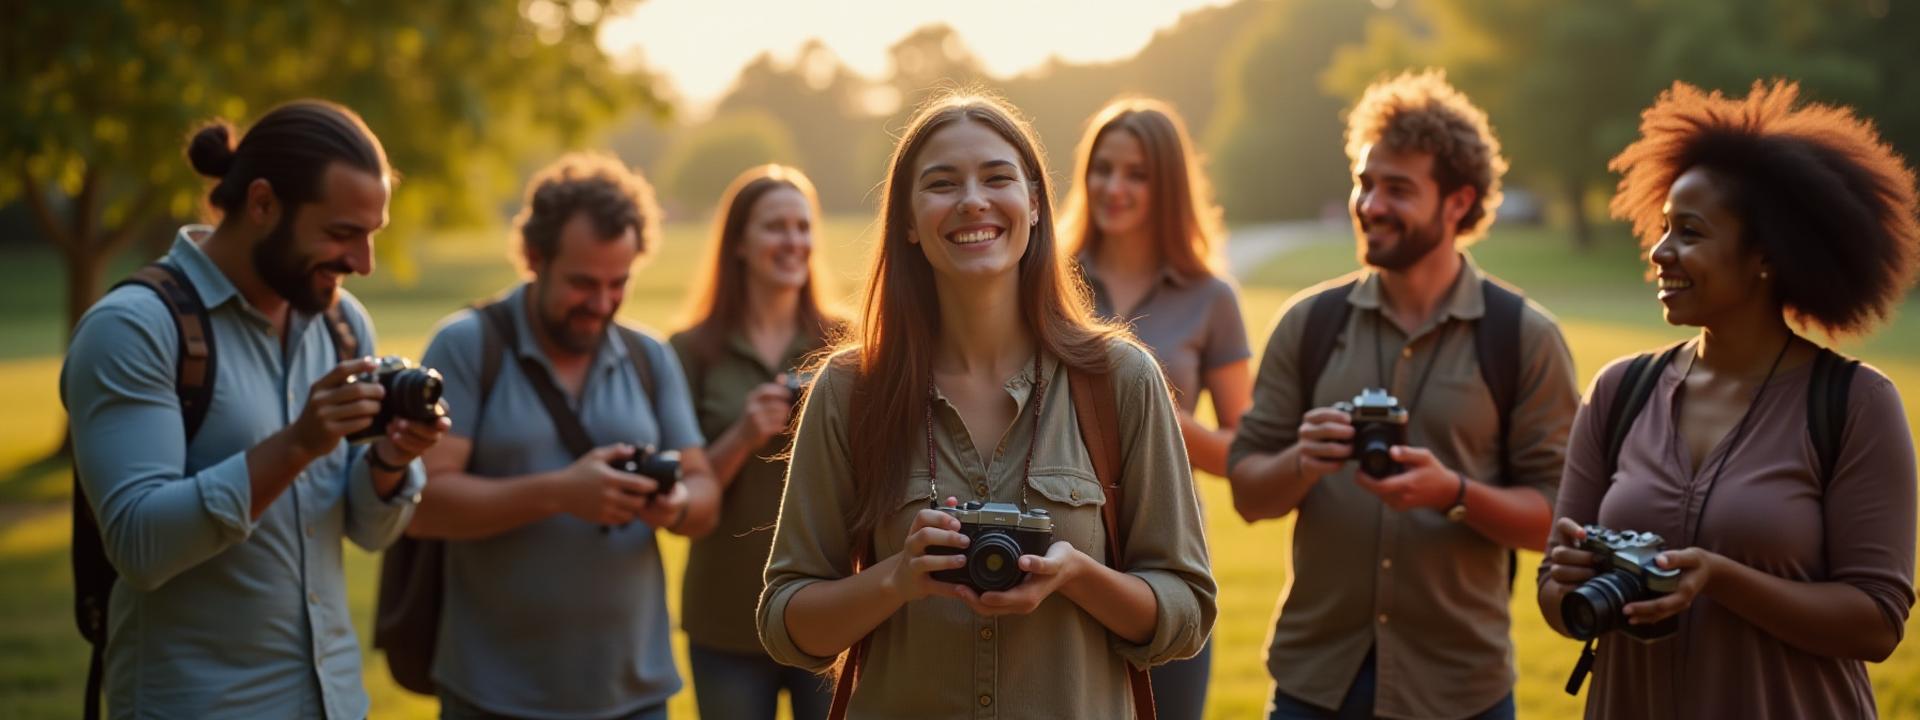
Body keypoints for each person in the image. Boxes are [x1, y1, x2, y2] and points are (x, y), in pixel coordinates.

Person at [755, 93, 1216, 718]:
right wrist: (896, 579)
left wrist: (1077, 575)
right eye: (942, 184)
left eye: (997, 178)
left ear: (1035, 203)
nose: (972, 200)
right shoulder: (848, 390)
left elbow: (1187, 612)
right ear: (908, 222)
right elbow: (785, 621)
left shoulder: (1120, 379)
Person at [1537, 79, 1919, 720]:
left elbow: (1877, 623)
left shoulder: (1854, 403)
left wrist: (1721, 578)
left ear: (1766, 255)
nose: (1660, 252)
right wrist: (1573, 578)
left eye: (1689, 232)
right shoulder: (1619, 391)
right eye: (1663, 228)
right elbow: (1554, 595)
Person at [62, 99, 447, 719]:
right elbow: (140, 547)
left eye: (372, 234)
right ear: (263, 204)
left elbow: (369, 531)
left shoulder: (343, 324)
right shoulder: (135, 328)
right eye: (341, 233)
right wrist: (296, 446)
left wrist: (390, 461)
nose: (364, 263)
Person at [1226, 70, 1579, 720]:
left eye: (1397, 189)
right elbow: (1248, 493)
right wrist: (1302, 462)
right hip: (1314, 685)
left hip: (1460, 690)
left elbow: (1557, 516)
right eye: (1364, 182)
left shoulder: (1523, 338)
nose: (1370, 205)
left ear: (1458, 202)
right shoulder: (1308, 323)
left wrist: (1454, 493)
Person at [407, 153, 719, 720]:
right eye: (582, 283)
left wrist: (674, 505)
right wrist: (560, 494)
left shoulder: (649, 355)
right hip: (492, 696)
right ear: (533, 256)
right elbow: (421, 504)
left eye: (618, 283)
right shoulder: (467, 345)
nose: (601, 304)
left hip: (636, 693)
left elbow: (705, 495)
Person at [1058, 96, 1251, 720]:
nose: (1113, 187)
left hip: (1164, 555)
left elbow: (1243, 456)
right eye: (1102, 169)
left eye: (1136, 174)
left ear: (1167, 186)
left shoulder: (1212, 297)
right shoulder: (1047, 281)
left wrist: (1153, 413)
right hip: (1059, 545)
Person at [668, 164, 842, 720]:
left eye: (802, 226)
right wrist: (743, 435)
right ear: (738, 243)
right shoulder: (690, 351)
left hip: (830, 607)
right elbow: (677, 496)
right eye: (775, 227)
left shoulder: (846, 343)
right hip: (725, 616)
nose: (793, 241)